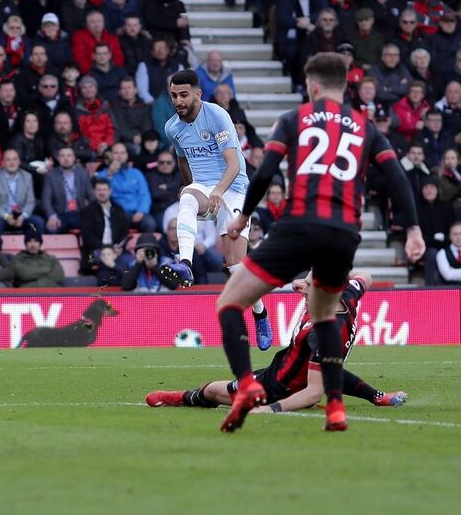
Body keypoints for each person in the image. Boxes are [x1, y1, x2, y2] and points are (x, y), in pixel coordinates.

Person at [217, 52, 424, 433]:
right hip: (343, 233)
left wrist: (244, 216)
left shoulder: (294, 119)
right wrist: (412, 230)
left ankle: (246, 387)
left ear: (312, 86)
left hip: (299, 224)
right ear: (345, 86)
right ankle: (334, 409)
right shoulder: (366, 128)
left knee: (230, 301)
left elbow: (265, 171)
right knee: (326, 314)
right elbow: (397, 178)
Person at [147, 270, 410, 412]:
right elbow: (366, 276)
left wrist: (272, 408)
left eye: (309, 286)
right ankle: (378, 397)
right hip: (287, 367)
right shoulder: (348, 295)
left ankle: (181, 398)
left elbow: (314, 392)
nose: (302, 290)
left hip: (277, 386)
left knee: (214, 391)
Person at [157, 69, 273, 349]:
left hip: (234, 189)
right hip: (206, 187)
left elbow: (233, 164)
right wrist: (194, 190)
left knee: (236, 266)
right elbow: (183, 159)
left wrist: (218, 193)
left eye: (184, 95)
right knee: (185, 197)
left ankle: (261, 314)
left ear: (198, 93)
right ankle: (185, 264)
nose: (178, 101)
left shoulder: (217, 115)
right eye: (174, 96)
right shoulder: (173, 127)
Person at [0, 149, 46, 235]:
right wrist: (6, 216)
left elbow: (30, 201)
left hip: (21, 218)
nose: (12, 163)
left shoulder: (27, 176)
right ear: (2, 162)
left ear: (19, 162)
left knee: (36, 223)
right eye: (8, 160)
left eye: (14, 159)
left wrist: (23, 216)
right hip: (2, 217)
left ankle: (33, 247)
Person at [96, 142, 155, 233]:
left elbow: (144, 195)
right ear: (111, 155)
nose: (119, 156)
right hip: (116, 214)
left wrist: (141, 211)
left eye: (122, 153)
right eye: (116, 153)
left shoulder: (136, 173)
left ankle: (145, 247)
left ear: (127, 155)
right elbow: (99, 190)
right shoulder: (103, 174)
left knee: (150, 223)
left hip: (136, 212)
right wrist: (110, 173)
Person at [80, 178, 129, 273]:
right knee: (91, 262)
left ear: (110, 191)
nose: (101, 193)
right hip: (93, 251)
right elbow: (87, 236)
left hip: (115, 250)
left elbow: (124, 232)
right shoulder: (87, 211)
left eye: (104, 190)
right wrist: (104, 248)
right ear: (94, 191)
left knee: (129, 260)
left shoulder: (118, 209)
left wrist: (119, 247)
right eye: (99, 190)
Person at [42, 146, 93, 234]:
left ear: (74, 158)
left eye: (69, 156)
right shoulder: (51, 175)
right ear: (58, 158)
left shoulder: (83, 173)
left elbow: (91, 195)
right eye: (62, 156)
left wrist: (95, 213)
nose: (66, 159)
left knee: (95, 226)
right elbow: (46, 199)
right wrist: (52, 216)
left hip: (79, 213)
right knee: (51, 229)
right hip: (60, 214)